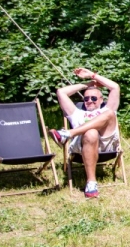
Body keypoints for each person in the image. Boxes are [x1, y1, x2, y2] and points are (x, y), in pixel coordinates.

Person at [49, 67, 121, 199]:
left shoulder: (106, 109)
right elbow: (61, 92)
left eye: (94, 98)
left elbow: (115, 87)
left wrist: (92, 75)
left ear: (101, 100)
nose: (89, 101)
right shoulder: (77, 113)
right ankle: (91, 183)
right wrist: (87, 85)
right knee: (91, 133)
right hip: (83, 145)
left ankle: (68, 134)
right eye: (86, 98)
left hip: (106, 145)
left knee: (110, 113)